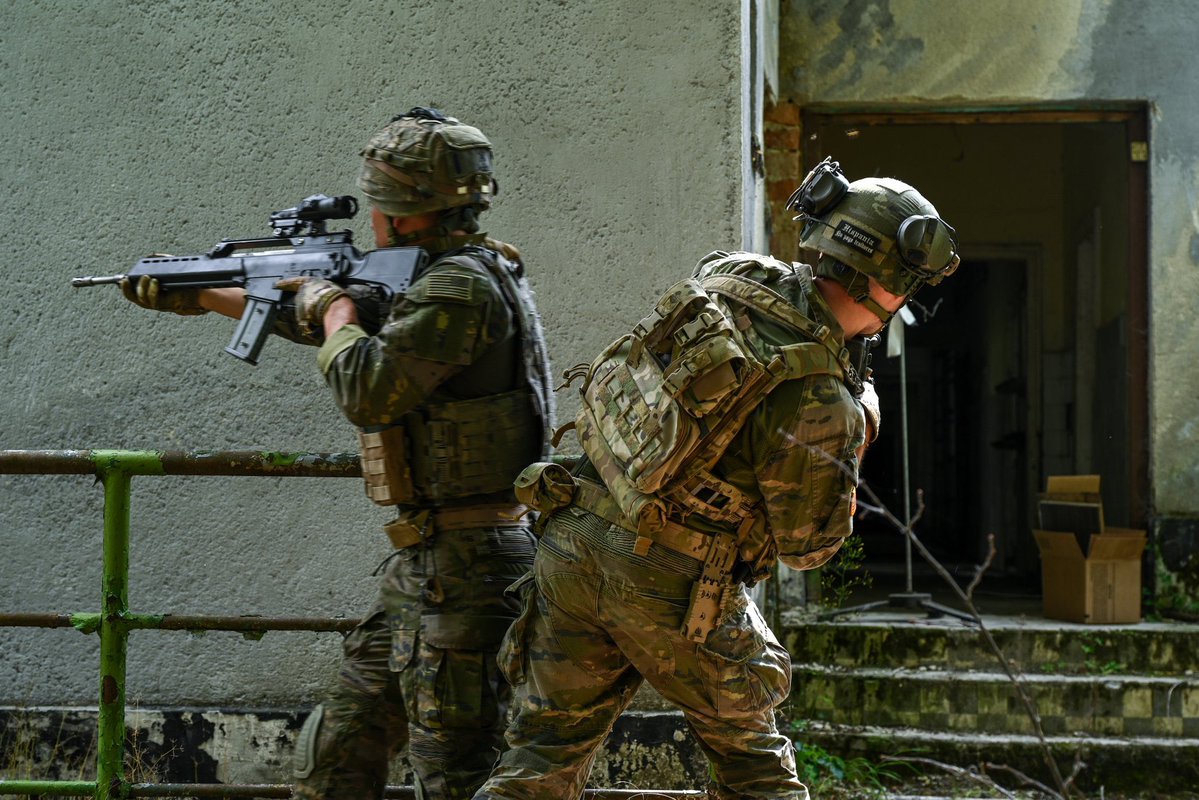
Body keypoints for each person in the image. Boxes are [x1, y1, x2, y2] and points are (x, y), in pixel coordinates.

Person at [473, 158, 960, 800]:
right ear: (885, 285)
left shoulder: (730, 274)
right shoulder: (822, 402)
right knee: (757, 774)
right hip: (669, 583)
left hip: (573, 532)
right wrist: (860, 426)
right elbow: (808, 547)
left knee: (540, 759)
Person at [119, 107, 554, 800]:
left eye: (380, 202)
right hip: (425, 567)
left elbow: (368, 388)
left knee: (456, 776)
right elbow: (330, 322)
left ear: (403, 209)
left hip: (467, 574)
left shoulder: (458, 287)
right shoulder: (436, 276)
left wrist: (334, 310)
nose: (372, 215)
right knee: (336, 757)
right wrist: (201, 292)